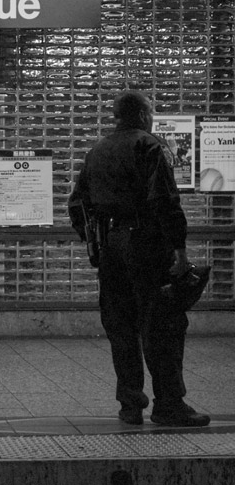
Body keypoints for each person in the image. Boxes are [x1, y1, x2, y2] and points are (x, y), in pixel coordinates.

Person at [68, 90, 209, 427]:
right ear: (145, 114)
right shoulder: (149, 146)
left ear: (117, 116)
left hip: (109, 248)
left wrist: (94, 242)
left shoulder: (97, 152)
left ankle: (130, 405)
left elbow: (76, 204)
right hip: (146, 244)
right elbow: (165, 200)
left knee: (121, 327)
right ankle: (169, 405)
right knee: (162, 324)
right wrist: (179, 248)